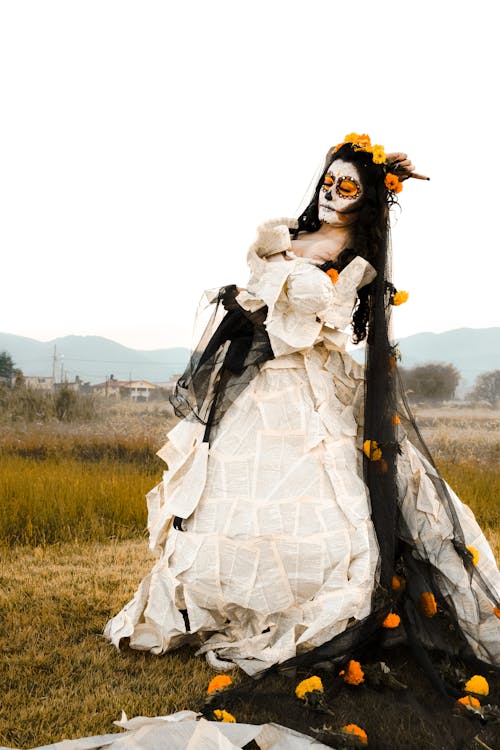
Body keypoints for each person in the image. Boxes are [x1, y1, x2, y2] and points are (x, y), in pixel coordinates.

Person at [105, 133, 500, 682]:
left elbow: (327, 322)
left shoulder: (356, 257)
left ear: (364, 198)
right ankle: (221, 605)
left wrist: (389, 184)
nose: (333, 192)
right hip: (260, 390)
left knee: (328, 501)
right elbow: (257, 301)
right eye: (329, 181)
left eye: (348, 186)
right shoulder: (286, 236)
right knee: (235, 497)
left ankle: (320, 608)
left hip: (312, 387)